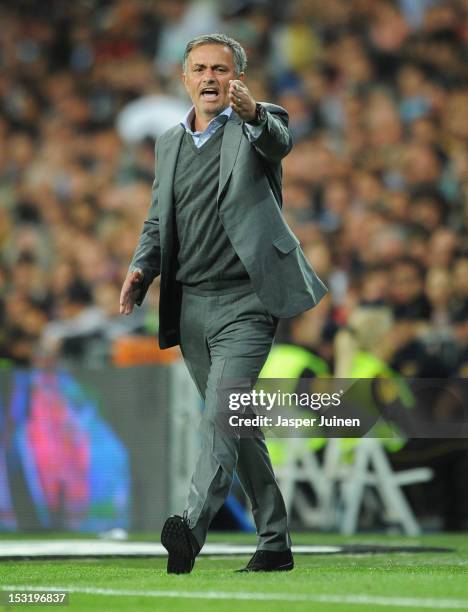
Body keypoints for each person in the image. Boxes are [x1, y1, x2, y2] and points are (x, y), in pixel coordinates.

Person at [120, 33, 327, 574]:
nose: (209, 77)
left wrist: (254, 110)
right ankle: (275, 541)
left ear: (237, 78)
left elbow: (278, 139)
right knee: (236, 422)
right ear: (184, 77)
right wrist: (143, 266)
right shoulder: (167, 142)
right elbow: (157, 218)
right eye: (199, 68)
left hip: (248, 302)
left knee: (218, 417)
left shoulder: (256, 123)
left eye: (220, 69)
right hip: (190, 306)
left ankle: (191, 528)